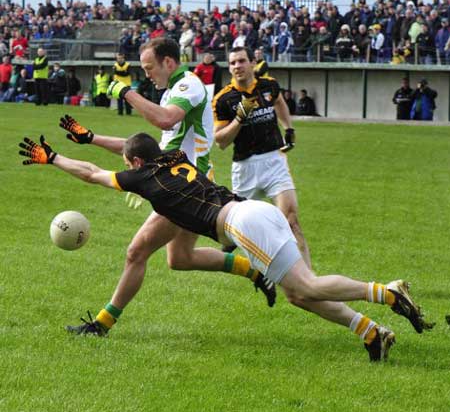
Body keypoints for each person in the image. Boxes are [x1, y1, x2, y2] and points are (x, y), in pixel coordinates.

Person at [19, 133, 434, 361]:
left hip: (241, 223)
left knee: (306, 285)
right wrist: (91, 138)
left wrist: (53, 157)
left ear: (135, 166)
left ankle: (386, 292)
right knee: (297, 295)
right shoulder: (174, 156)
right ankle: (371, 333)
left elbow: (92, 173)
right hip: (253, 211)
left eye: (129, 165)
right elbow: (129, 147)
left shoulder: (142, 177)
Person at [53, 37, 276, 335]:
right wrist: (91, 137)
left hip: (185, 187)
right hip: (185, 182)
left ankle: (101, 324)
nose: (146, 74)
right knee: (180, 259)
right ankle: (253, 271)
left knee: (136, 252)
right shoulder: (171, 91)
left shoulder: (189, 84)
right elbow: (150, 149)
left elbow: (165, 119)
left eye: (149, 67)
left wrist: (126, 92)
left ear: (168, 62)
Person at [213, 47, 311, 267]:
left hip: (274, 161)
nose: (237, 66)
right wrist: (239, 118)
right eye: (232, 63)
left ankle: (309, 279)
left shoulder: (269, 85)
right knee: (233, 233)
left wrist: (288, 128)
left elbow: (279, 103)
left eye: (241, 61)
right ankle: (229, 253)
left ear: (251, 63)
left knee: (292, 221)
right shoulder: (223, 99)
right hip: (246, 168)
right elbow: (220, 142)